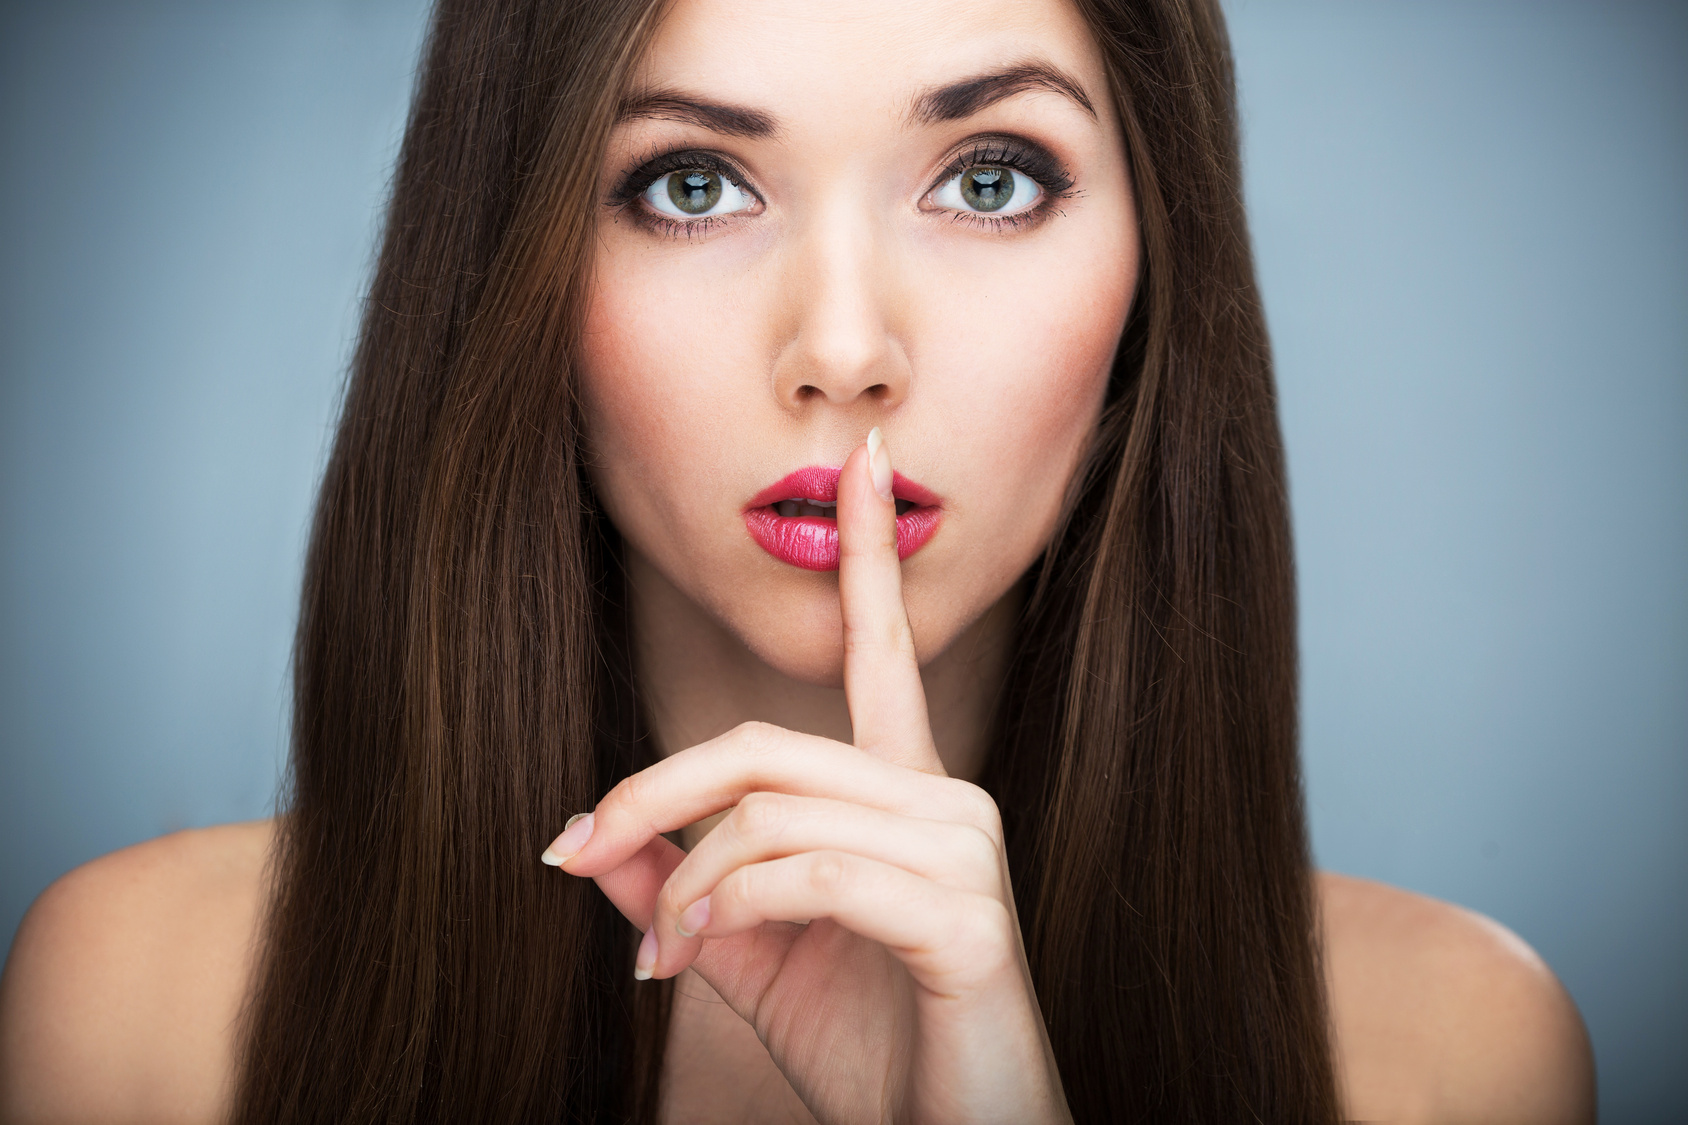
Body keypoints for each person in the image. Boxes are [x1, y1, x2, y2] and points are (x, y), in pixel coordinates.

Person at [0, 0, 1596, 1120]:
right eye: (692, 185)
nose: (843, 352)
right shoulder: (142, 1012)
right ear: (522, 275)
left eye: (990, 179)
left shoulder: (1449, 1060)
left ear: (1153, 281)